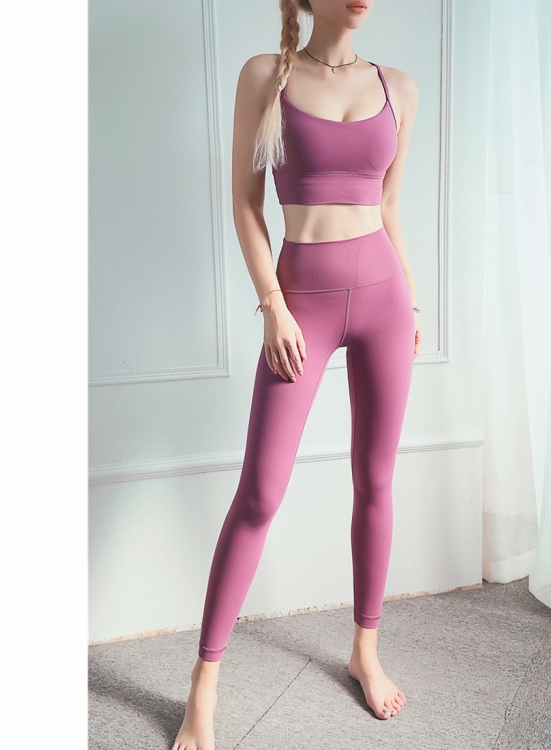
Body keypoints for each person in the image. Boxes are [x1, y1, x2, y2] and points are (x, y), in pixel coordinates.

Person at [172, 1, 420, 748]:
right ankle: (204, 684)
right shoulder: (266, 75)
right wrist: (273, 306)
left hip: (384, 299)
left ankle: (365, 649)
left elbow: (389, 205)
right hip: (299, 304)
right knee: (260, 492)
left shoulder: (399, 88)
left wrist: (411, 301)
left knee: (376, 480)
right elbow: (246, 206)